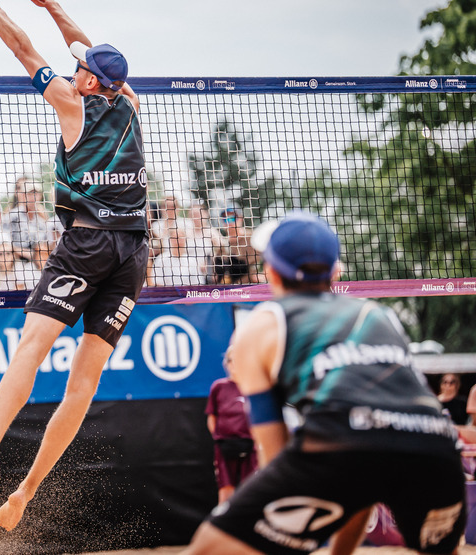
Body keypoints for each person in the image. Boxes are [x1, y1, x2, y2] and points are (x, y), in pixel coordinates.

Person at [0, 0, 147, 531]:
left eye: (80, 68)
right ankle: (27, 492)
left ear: (88, 82)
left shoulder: (69, 100)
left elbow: (22, 47)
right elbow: (83, 46)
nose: (73, 67)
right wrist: (53, 6)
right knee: (83, 384)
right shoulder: (128, 102)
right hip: (135, 251)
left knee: (30, 351)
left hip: (87, 243)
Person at [183, 211, 465, 555]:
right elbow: (365, 475)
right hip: (436, 448)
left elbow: (275, 456)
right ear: (336, 271)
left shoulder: (260, 326)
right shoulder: (378, 314)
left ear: (269, 272)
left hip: (341, 443)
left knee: (206, 550)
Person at [205, 350, 258, 505]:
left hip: (250, 446)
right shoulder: (219, 387)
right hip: (225, 447)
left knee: (251, 488)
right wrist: (220, 439)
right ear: (227, 363)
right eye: (232, 360)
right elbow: (212, 418)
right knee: (226, 491)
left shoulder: (252, 385)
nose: (235, 364)